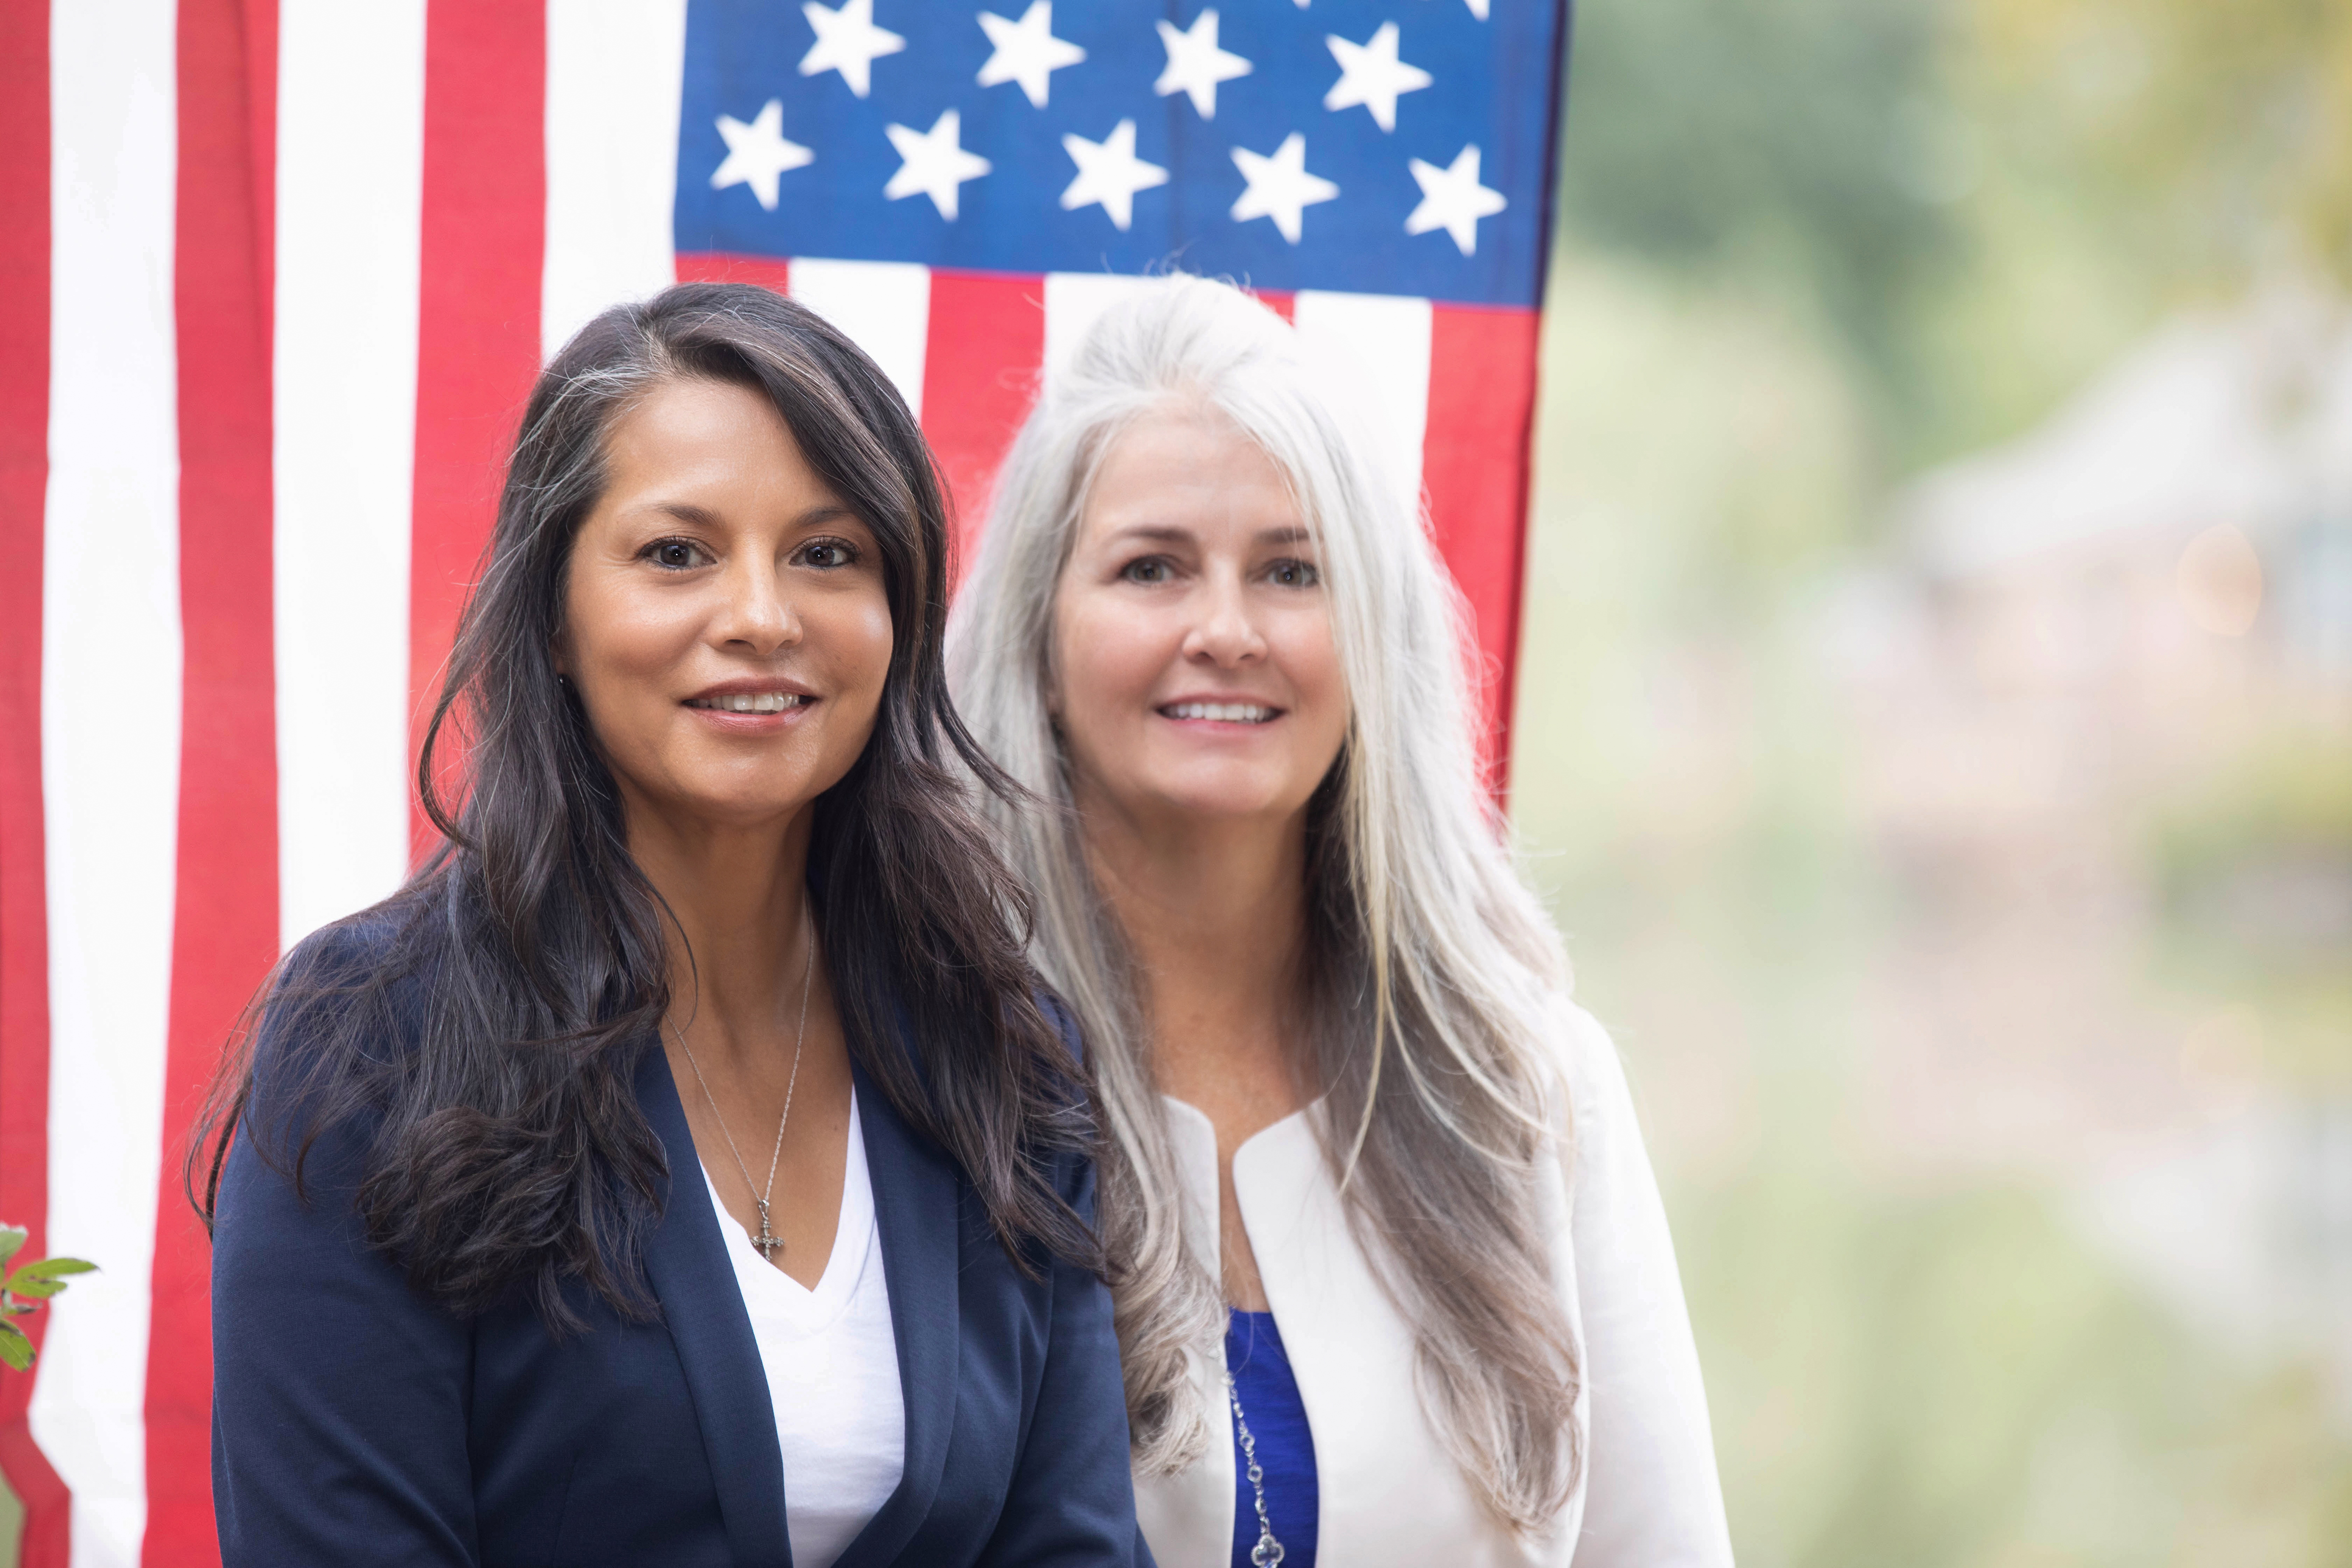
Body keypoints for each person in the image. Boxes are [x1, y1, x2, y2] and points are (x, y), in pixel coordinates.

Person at [199, 283, 1147, 1568]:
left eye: (827, 553)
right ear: (555, 619)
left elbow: (1071, 1549)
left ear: (899, 614)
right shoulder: (371, 1048)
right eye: (677, 553)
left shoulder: (1002, 1050)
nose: (763, 614)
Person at [949, 275, 1734, 1567]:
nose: (1226, 629)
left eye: (1291, 571)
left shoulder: (1526, 1088)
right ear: (1039, 631)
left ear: (1372, 633)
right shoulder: (925, 1080)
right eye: (1151, 568)